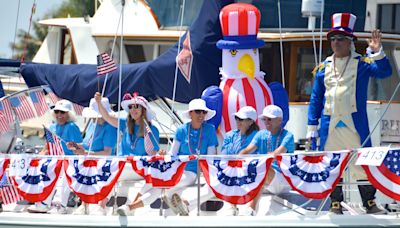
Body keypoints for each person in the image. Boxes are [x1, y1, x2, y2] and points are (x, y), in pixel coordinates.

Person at [306, 13, 392, 215]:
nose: (336, 42)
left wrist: (377, 51)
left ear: (350, 41)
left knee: (361, 163)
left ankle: (369, 203)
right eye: (333, 38)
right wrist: (312, 127)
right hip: (330, 125)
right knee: (332, 164)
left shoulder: (362, 64)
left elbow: (384, 72)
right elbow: (316, 99)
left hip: (355, 123)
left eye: (341, 38)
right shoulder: (322, 68)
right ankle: (335, 204)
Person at [94, 92, 161, 216]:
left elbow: (153, 153)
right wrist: (99, 103)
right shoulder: (125, 123)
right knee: (109, 168)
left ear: (143, 109)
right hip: (123, 165)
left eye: (136, 106)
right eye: (130, 107)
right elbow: (107, 117)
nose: (133, 109)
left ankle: (128, 207)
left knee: (112, 170)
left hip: (139, 168)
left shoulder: (152, 130)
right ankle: (101, 207)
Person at [28, 99, 83, 214]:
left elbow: (79, 148)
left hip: (70, 161)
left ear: (69, 114)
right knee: (43, 173)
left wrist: (72, 147)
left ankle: (60, 206)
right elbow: (47, 146)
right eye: (57, 111)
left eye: (62, 112)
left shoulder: (72, 127)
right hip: (54, 160)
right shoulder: (51, 127)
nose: (59, 114)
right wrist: (39, 155)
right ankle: (43, 203)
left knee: (64, 179)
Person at [239, 105, 294, 216]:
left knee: (261, 168)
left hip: (283, 179)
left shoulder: (288, 136)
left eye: (270, 119)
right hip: (266, 179)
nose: (266, 122)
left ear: (279, 120)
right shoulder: (261, 134)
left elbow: (276, 154)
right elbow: (247, 150)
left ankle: (251, 209)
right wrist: (234, 160)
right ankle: (235, 209)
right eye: (265, 119)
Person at [68, 97, 117, 215]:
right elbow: (87, 144)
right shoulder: (92, 124)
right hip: (91, 160)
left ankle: (101, 205)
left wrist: (85, 153)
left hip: (106, 162)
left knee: (92, 170)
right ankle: (84, 203)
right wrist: (76, 146)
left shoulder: (110, 127)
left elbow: (107, 153)